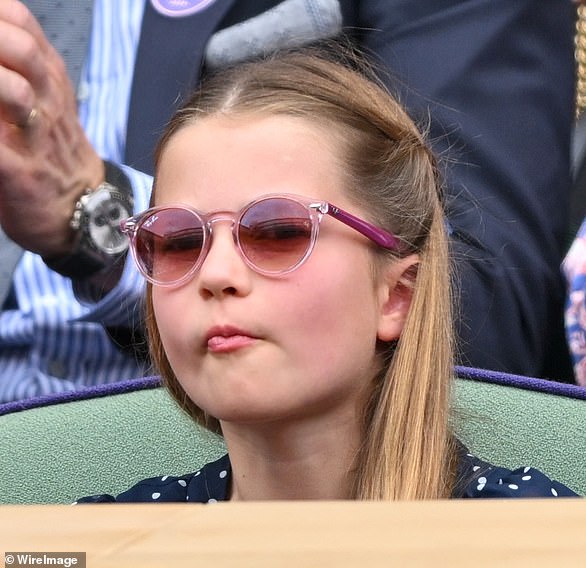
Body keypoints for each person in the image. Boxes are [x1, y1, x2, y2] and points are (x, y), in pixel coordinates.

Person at [0, 0, 577, 404]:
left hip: (244, 453)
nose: (219, 273)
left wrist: (95, 213)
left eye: (276, 231)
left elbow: (480, 305)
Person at [77, 49, 578, 503]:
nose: (216, 273)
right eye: (178, 241)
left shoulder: (539, 535)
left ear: (396, 297)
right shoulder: (85, 543)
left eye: (277, 232)